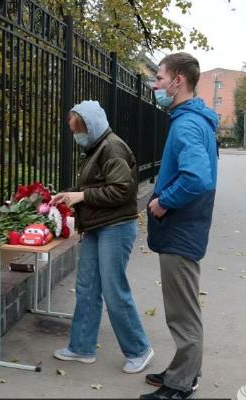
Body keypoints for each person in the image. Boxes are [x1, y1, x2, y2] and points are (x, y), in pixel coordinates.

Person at [49, 100, 153, 374]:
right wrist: (68, 194)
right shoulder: (97, 147)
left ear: (90, 126)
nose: (75, 135)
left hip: (116, 227)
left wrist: (81, 196)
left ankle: (139, 349)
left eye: (77, 129)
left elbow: (122, 191)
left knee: (113, 290)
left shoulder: (112, 147)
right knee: (87, 288)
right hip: (98, 225)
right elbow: (96, 185)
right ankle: (81, 347)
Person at [142, 52, 218, 400]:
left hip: (180, 228)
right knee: (183, 309)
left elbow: (197, 178)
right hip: (186, 228)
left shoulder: (187, 123)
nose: (155, 85)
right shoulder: (193, 119)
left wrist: (163, 201)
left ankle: (180, 385)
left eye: (159, 78)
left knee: (182, 314)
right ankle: (183, 372)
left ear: (178, 81)